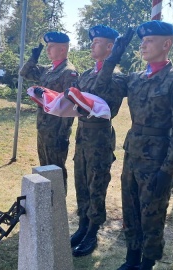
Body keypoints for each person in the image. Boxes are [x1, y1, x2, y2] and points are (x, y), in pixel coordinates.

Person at [95, 21, 173, 269]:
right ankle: (131, 258)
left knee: (152, 215)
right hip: (133, 155)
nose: (143, 45)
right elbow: (101, 87)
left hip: (157, 160)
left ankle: (147, 262)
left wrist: (167, 170)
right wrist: (112, 58)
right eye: (142, 40)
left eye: (149, 40)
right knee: (130, 211)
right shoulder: (135, 78)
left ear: (166, 44)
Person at [69, 25, 126, 257]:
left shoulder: (117, 77)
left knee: (96, 183)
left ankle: (93, 230)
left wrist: (111, 62)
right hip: (82, 134)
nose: (92, 45)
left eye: (97, 42)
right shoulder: (85, 74)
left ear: (110, 47)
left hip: (100, 137)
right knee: (81, 181)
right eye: (92, 42)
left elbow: (106, 102)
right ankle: (82, 225)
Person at [20, 32, 79, 191]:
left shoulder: (68, 72)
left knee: (56, 170)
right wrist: (34, 57)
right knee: (44, 168)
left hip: (57, 131)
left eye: (51, 47)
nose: (48, 50)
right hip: (43, 127)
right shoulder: (48, 70)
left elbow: (70, 106)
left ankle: (58, 206)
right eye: (47, 47)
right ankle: (45, 205)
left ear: (62, 49)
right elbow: (24, 73)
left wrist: (63, 133)